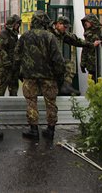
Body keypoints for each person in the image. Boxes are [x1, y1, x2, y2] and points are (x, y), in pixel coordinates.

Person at [14, 10, 65, 140]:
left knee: (31, 102)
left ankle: (34, 130)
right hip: (49, 76)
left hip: (29, 76)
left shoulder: (25, 36)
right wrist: (60, 76)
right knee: (51, 102)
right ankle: (50, 130)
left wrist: (20, 74)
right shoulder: (50, 37)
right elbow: (58, 59)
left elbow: (17, 57)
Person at [50, 16, 93, 95]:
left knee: (69, 64)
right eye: (64, 27)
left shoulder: (62, 34)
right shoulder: (48, 33)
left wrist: (91, 44)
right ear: (58, 24)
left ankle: (66, 86)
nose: (65, 29)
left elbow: (75, 40)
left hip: (56, 60)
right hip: (47, 60)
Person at [80, 13, 102, 82]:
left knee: (100, 81)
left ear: (92, 21)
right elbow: (85, 49)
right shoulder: (87, 33)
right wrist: (82, 63)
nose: (85, 23)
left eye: (87, 21)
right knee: (92, 83)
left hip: (100, 62)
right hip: (90, 64)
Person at [0, 14, 21, 96]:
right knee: (2, 87)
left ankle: (14, 104)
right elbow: (2, 49)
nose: (18, 26)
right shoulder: (4, 33)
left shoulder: (14, 34)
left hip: (14, 65)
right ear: (12, 24)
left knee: (14, 87)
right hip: (6, 66)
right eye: (17, 24)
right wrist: (7, 62)